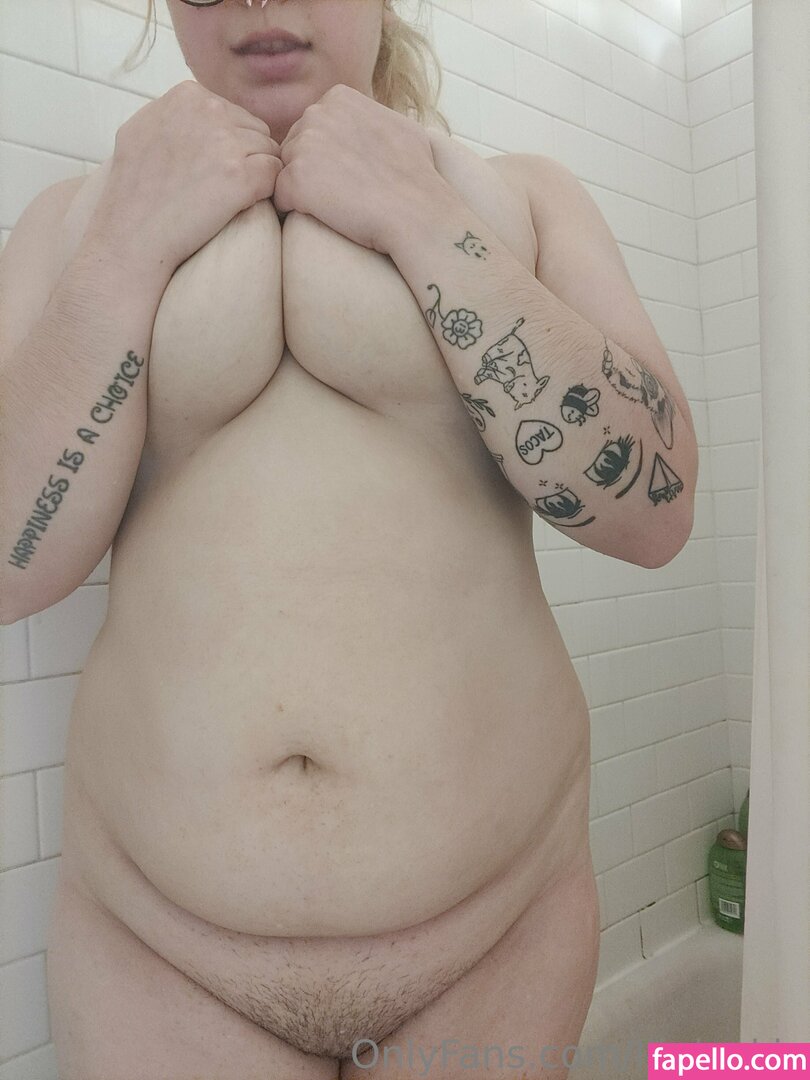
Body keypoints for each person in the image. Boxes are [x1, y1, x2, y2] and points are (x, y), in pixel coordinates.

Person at [0, 0, 698, 1076]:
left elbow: (657, 514)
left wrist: (421, 215)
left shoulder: (523, 195)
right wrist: (123, 251)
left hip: (499, 925)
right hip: (155, 948)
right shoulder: (71, 220)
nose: (257, 2)